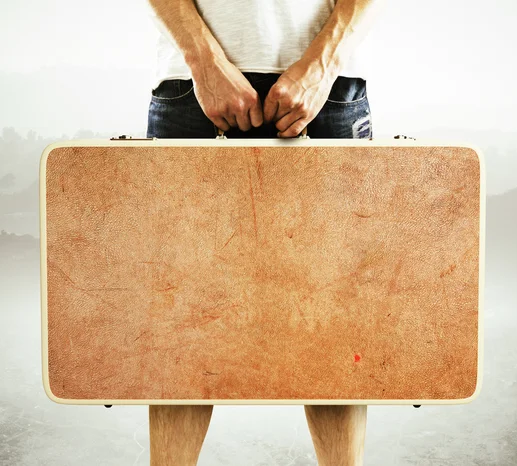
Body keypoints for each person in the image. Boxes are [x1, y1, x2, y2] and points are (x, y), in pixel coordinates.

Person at [145, 0, 380, 464]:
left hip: (327, 85)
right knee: (181, 318)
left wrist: (323, 62)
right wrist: (205, 62)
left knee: (336, 320)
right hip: (193, 81)